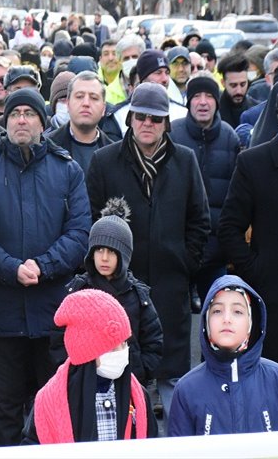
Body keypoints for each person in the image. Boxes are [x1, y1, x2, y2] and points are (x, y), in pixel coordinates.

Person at [0, 87, 91, 447]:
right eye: (15, 113)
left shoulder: (67, 170)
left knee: (52, 407)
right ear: (6, 122)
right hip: (0, 313)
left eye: (29, 113)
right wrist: (12, 268)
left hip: (52, 312)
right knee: (4, 410)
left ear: (42, 120)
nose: (21, 119)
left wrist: (43, 265)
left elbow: (79, 232)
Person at [87, 83, 210, 422]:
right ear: (129, 119)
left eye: (155, 118)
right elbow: (91, 221)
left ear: (166, 122)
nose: (146, 123)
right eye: (140, 116)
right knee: (120, 374)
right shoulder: (104, 161)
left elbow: (200, 219)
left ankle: (175, 446)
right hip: (120, 290)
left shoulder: (185, 161)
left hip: (171, 286)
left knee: (173, 379)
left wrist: (185, 262)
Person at [218, 80, 278, 382]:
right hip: (274, 304)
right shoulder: (254, 163)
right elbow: (229, 228)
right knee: (277, 385)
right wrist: (257, 271)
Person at [168, 275, 278, 435]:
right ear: (205, 321)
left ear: (251, 322)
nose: (227, 319)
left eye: (237, 311)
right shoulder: (186, 389)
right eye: (217, 311)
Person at [23, 289, 158, 443]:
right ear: (86, 353)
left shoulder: (137, 394)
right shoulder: (50, 399)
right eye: (112, 348)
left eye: (124, 343)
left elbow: (152, 442)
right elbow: (32, 445)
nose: (121, 352)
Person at [60, 198, 163, 384]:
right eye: (99, 250)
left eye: (112, 251)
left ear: (124, 255)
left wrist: (138, 371)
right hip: (85, 384)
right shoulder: (78, 291)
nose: (104, 258)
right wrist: (75, 375)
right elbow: (59, 340)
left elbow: (153, 342)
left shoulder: (138, 295)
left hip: (129, 382)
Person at [170, 74, 239, 302]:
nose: (202, 102)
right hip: (178, 251)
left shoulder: (230, 137)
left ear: (217, 102)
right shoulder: (172, 133)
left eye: (209, 96)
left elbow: (235, 195)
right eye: (196, 96)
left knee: (218, 319)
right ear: (188, 102)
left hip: (217, 252)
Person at [45, 71, 113, 176]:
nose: (86, 103)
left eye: (94, 98)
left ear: (103, 108)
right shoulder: (46, 148)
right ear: (68, 104)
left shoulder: (115, 154)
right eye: (79, 96)